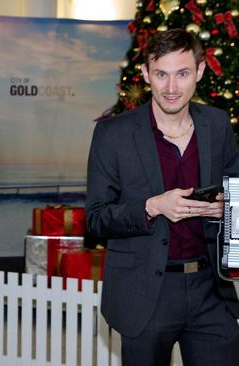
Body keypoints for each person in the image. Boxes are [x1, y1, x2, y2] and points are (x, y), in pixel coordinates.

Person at [86, 29, 239, 365]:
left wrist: (222, 210)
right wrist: (152, 206)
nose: (171, 88)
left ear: (199, 72)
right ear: (145, 74)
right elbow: (96, 218)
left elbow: (235, 195)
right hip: (144, 294)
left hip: (210, 290)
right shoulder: (113, 134)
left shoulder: (217, 125)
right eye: (161, 74)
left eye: (182, 74)